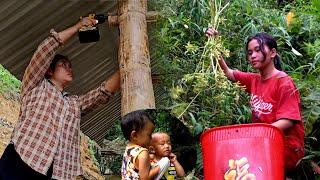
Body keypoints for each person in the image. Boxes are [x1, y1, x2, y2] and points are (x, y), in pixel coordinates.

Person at [0, 17, 120, 180]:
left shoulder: (74, 103)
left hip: (53, 171)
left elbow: (102, 93)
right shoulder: (35, 85)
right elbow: (46, 49)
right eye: (64, 65)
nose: (69, 69)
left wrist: (127, 69)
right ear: (49, 71)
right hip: (22, 158)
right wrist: (78, 26)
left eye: (70, 66)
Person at [206, 28, 304, 176]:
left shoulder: (283, 82)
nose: (253, 55)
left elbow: (288, 120)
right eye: (250, 52)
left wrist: (257, 136)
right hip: (263, 146)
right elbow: (228, 72)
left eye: (258, 50)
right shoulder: (254, 80)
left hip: (284, 150)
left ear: (272, 53)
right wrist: (214, 42)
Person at [120, 110, 170, 180]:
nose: (151, 137)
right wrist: (159, 167)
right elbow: (145, 178)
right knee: (165, 161)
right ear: (134, 135)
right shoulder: (143, 153)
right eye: (149, 134)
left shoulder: (128, 148)